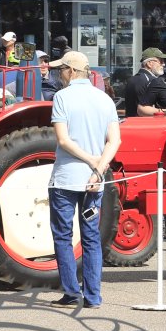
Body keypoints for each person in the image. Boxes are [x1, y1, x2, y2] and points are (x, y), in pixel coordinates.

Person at [48, 51, 119, 309]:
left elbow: (63, 140)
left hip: (66, 179)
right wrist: (98, 169)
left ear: (70, 71)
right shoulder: (105, 99)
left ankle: (71, 293)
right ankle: (93, 296)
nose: (59, 75)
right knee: (91, 237)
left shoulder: (61, 97)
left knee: (63, 236)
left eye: (61, 70)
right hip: (94, 181)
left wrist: (89, 160)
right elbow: (114, 141)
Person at [121, 47, 166, 118]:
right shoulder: (152, 81)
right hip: (146, 122)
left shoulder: (132, 79)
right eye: (160, 61)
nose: (163, 64)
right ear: (149, 64)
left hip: (130, 121)